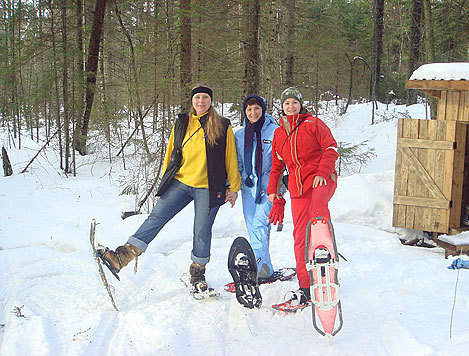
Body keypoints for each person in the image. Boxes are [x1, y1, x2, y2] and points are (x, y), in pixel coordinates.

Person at [98, 84, 241, 293]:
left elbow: (231, 158)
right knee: (156, 217)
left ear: (211, 101)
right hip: (181, 182)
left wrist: (234, 187)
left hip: (208, 188)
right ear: (192, 100)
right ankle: (122, 257)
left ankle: (197, 273)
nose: (201, 101)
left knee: (201, 231)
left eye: (205, 98)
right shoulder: (182, 122)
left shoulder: (222, 125)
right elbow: (171, 152)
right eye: (197, 98)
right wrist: (167, 178)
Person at [267, 87, 338, 309]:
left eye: (294, 103)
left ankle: (327, 268)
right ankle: (306, 286)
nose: (291, 106)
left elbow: (331, 148)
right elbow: (277, 166)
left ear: (300, 104)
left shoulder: (313, 124)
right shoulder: (279, 133)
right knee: (300, 236)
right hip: (298, 189)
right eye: (286, 103)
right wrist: (274, 192)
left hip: (321, 179)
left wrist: (322, 172)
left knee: (317, 218)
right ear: (282, 107)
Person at [234, 94, 280, 280]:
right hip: (248, 187)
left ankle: (258, 267)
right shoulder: (239, 135)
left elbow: (281, 161)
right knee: (253, 227)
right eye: (249, 109)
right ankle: (264, 267)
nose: (253, 112)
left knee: (260, 224)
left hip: (269, 187)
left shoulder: (276, 131)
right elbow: (236, 162)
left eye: (257, 108)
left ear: (264, 110)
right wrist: (232, 186)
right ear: (245, 112)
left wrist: (278, 187)